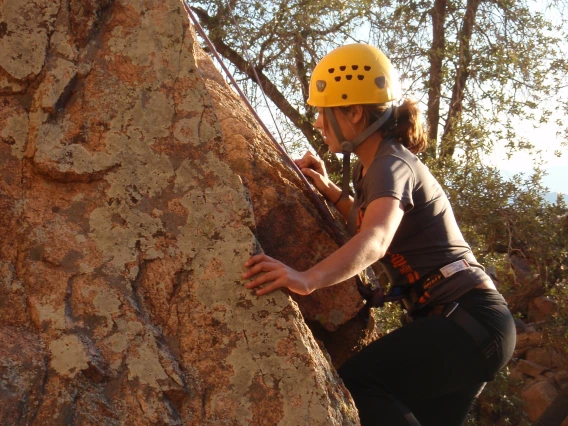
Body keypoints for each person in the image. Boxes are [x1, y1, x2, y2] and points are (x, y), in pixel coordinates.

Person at [241, 43, 516, 426]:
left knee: (357, 384)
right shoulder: (378, 165)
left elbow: (377, 237)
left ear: (354, 112)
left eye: (324, 111)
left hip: (464, 321)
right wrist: (328, 189)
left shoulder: (390, 164)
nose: (318, 122)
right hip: (472, 325)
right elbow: (368, 217)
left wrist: (306, 279)